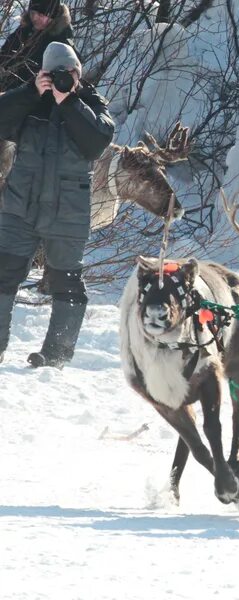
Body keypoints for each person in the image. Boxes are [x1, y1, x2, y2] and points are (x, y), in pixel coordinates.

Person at [0, 42, 115, 367]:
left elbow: (96, 142)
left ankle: (56, 355)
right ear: (45, 73)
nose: (66, 78)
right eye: (57, 73)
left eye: (70, 72)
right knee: (3, 273)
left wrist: (70, 102)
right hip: (21, 207)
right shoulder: (30, 102)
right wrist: (29, 90)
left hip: (68, 211)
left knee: (65, 280)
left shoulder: (91, 102)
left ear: (79, 72)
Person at [0, 0, 73, 91]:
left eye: (41, 15)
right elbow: (6, 52)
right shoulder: (27, 28)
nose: (35, 18)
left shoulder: (61, 42)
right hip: (7, 88)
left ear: (52, 16)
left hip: (31, 96)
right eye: (33, 13)